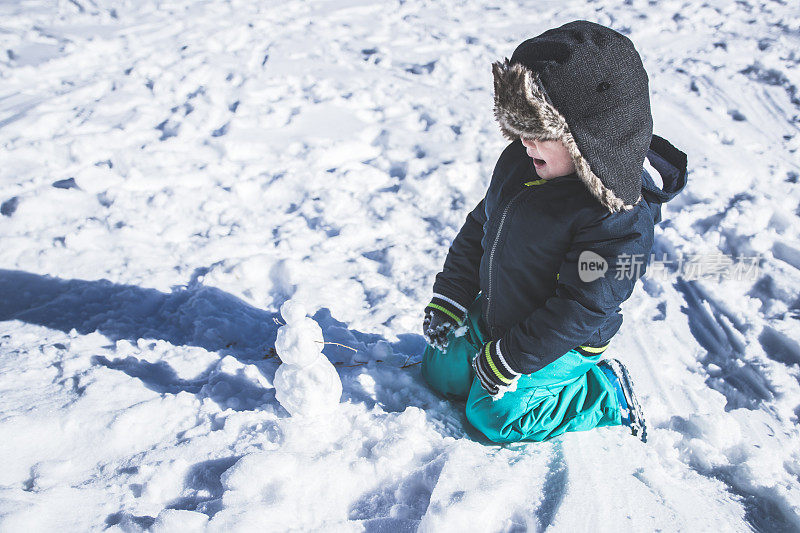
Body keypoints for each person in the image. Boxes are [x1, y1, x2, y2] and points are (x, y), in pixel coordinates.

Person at [421, 20, 688, 444]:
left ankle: (603, 394)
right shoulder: (519, 164)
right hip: (497, 316)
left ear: (590, 138)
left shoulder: (615, 222)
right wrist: (451, 298)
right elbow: (479, 227)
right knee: (440, 373)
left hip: (559, 343)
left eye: (540, 133)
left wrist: (511, 358)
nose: (525, 144)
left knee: (494, 416)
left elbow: (581, 307)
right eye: (519, 128)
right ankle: (486, 355)